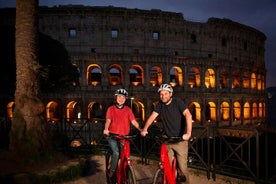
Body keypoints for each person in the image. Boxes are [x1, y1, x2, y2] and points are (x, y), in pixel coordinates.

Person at [141, 83, 193, 183]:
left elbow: (188, 115)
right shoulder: (160, 104)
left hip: (180, 140)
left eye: (165, 93)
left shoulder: (177, 102)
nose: (163, 96)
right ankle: (168, 179)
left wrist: (188, 133)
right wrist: (145, 129)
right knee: (165, 164)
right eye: (161, 94)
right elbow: (152, 117)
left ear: (170, 94)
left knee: (182, 167)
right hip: (167, 139)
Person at [103, 88, 142, 179]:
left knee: (125, 155)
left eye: (123, 97)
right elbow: (108, 121)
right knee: (116, 152)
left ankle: (125, 171)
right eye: (119, 97)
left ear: (125, 99)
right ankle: (112, 171)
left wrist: (141, 129)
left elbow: (133, 121)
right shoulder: (111, 109)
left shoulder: (128, 110)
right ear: (115, 98)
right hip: (112, 135)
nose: (121, 99)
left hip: (124, 137)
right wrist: (106, 129)